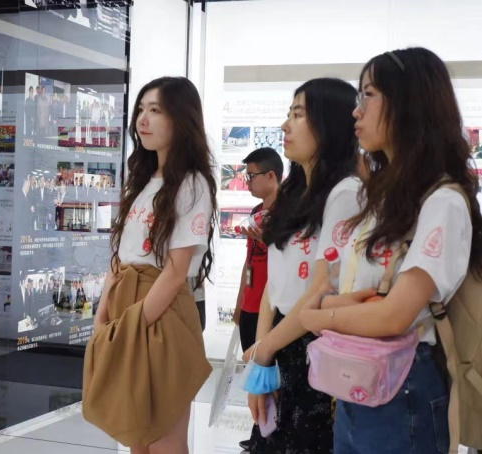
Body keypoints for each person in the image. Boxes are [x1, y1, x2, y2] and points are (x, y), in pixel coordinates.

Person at [299, 48, 482, 454]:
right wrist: (337, 306)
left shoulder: (443, 201)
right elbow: (355, 294)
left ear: (409, 101)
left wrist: (318, 316)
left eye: (369, 95)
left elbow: (394, 315)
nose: (356, 111)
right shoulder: (381, 196)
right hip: (358, 377)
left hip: (405, 385)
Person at [85, 77, 217, 453]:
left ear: (181, 119)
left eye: (155, 110)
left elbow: (176, 272)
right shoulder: (143, 181)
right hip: (127, 307)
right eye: (141, 109)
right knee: (135, 435)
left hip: (160, 312)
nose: (143, 119)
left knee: (163, 439)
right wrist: (102, 317)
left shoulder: (192, 184)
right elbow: (119, 258)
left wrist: (129, 326)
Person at [241, 78, 361, 453]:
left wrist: (265, 350)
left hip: (315, 344)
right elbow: (274, 284)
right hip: (282, 340)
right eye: (288, 114)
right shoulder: (294, 193)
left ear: (329, 124)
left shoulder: (345, 194)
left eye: (297, 115)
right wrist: (263, 352)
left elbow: (323, 289)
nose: (285, 125)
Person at [232, 147, 283, 452]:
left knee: (271, 373)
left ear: (271, 176)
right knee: (253, 372)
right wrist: (239, 301)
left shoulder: (289, 213)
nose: (247, 182)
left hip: (273, 307)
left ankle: (269, 434)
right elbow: (248, 262)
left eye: (251, 176)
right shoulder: (255, 212)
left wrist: (267, 238)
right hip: (251, 304)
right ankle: (258, 430)